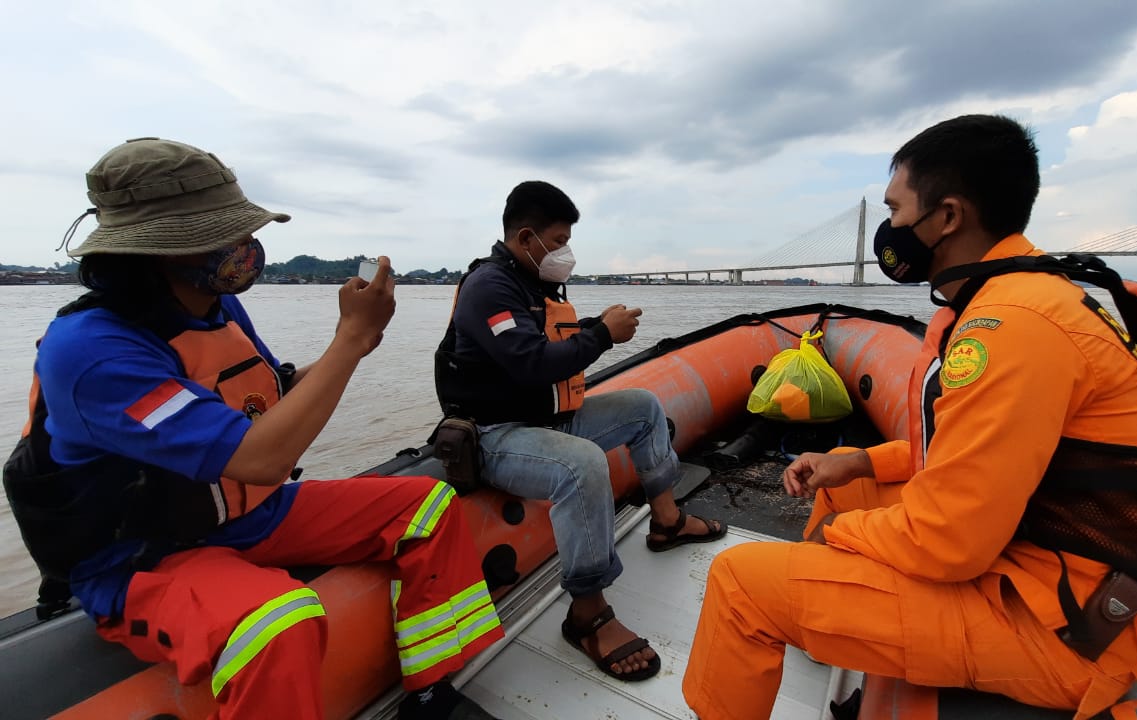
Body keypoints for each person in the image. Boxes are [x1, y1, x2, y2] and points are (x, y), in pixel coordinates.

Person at [683, 115, 1137, 720]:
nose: (889, 227)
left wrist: (844, 540)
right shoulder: (1026, 294)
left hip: (1062, 625)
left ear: (946, 216)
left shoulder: (1013, 325)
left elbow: (947, 542)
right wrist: (858, 460)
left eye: (895, 210)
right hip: (1051, 569)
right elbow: (962, 452)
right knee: (847, 487)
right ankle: (833, 620)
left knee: (739, 583)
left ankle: (809, 607)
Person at [3, 138, 503, 720]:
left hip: (246, 515)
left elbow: (270, 396)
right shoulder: (90, 352)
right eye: (225, 236)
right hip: (145, 556)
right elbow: (260, 457)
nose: (243, 247)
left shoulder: (211, 305)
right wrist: (350, 340)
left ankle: (431, 689)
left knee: (428, 506)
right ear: (164, 251)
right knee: (278, 622)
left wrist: (356, 346)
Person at [435, 181, 727, 681]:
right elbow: (529, 363)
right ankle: (587, 614)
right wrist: (601, 335)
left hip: (545, 417)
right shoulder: (490, 287)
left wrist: (595, 326)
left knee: (642, 407)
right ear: (527, 238)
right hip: (495, 434)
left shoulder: (529, 282)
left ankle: (666, 521)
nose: (565, 251)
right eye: (559, 238)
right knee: (582, 464)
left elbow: (545, 341)